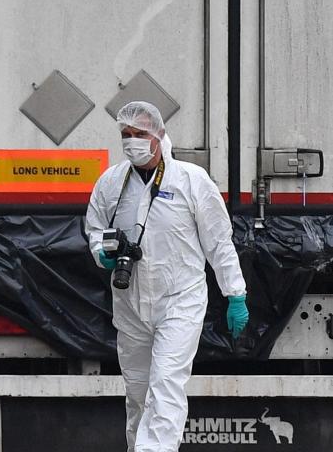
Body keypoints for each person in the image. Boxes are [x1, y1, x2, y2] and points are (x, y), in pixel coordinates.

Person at [85, 101, 248, 452]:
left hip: (180, 301)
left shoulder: (190, 181)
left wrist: (235, 293)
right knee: (138, 395)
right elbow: (95, 230)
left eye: (140, 134)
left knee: (166, 387)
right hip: (129, 304)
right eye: (126, 135)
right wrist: (102, 254)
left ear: (158, 135)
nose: (132, 142)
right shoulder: (112, 182)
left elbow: (218, 241)